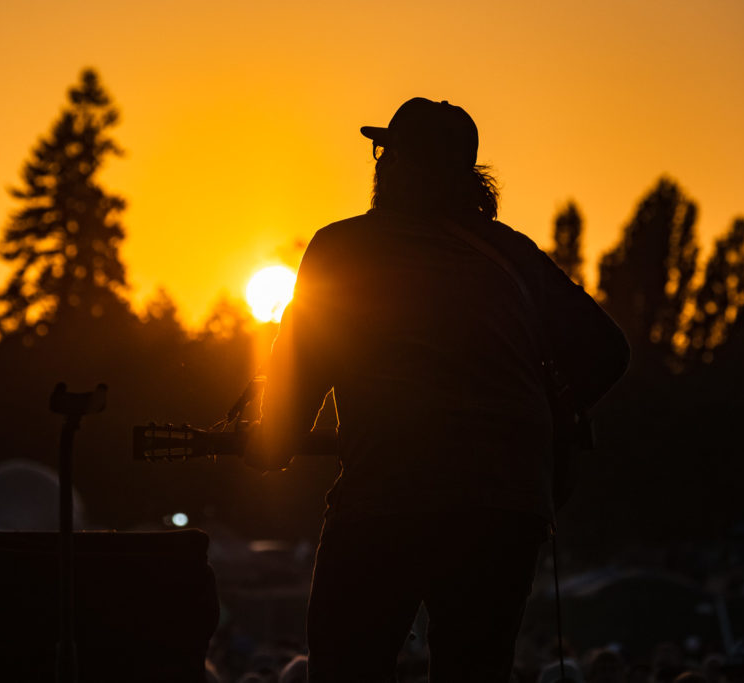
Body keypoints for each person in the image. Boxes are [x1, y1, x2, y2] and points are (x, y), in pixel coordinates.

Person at [251, 97, 629, 682]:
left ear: (395, 162)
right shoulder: (513, 255)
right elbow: (608, 352)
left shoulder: (344, 247)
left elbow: (295, 388)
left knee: (345, 665)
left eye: (383, 153)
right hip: (505, 511)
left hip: (387, 499)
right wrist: (551, 418)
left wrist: (270, 443)